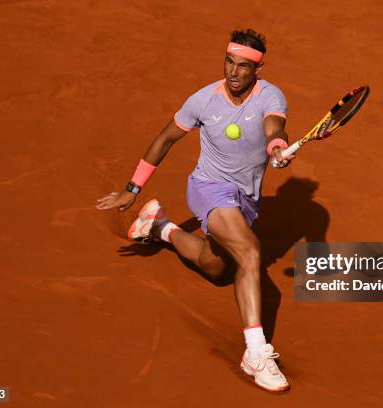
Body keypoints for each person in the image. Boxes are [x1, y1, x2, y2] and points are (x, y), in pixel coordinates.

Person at [96, 28, 294, 392]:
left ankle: (160, 228)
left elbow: (273, 125)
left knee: (215, 266)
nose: (233, 72)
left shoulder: (270, 96)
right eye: (229, 62)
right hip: (208, 188)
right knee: (249, 252)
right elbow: (165, 138)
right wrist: (132, 188)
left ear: (258, 70)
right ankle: (256, 353)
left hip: (244, 199)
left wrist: (277, 146)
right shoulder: (203, 100)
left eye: (243, 67)